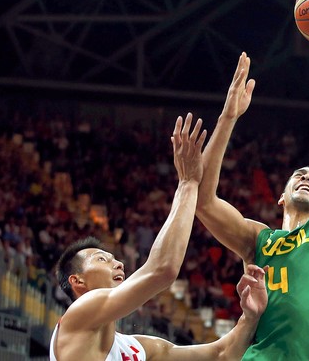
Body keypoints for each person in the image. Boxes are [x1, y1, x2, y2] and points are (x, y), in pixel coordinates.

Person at [196, 0, 309, 360]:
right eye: (299, 174)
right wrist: (227, 118)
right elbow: (201, 200)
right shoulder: (257, 241)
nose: (307, 177)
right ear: (280, 196)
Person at [50, 113, 268, 361]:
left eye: (113, 258)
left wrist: (250, 317)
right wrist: (187, 183)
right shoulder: (78, 315)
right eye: (102, 259)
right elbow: (162, 270)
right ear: (78, 281)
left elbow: (221, 355)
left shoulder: (136, 349)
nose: (119, 263)